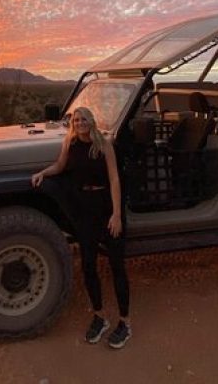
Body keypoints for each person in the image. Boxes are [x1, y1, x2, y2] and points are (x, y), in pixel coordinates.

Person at [31, 106, 131, 349]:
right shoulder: (70, 143)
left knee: (117, 265)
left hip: (107, 208)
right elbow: (59, 167)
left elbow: (114, 179)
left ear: (91, 121)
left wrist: (117, 215)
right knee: (88, 265)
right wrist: (43, 173)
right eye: (76, 119)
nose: (80, 122)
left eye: (84, 118)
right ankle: (99, 316)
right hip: (85, 211)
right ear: (72, 123)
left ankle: (125, 322)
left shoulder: (104, 144)